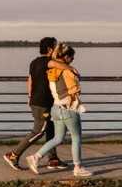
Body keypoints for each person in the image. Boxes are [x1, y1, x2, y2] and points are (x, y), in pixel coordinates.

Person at [3, 37, 77, 171]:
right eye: (55, 47)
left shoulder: (34, 62)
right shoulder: (48, 61)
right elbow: (58, 65)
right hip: (42, 103)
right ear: (49, 49)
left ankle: (53, 159)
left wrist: (30, 96)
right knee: (38, 131)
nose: (57, 49)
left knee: (51, 130)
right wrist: (71, 68)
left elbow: (30, 81)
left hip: (39, 102)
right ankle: (13, 154)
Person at [26, 43, 93, 177]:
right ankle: (78, 168)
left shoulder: (51, 70)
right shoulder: (66, 71)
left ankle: (36, 157)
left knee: (58, 137)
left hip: (56, 108)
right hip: (68, 108)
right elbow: (73, 89)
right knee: (76, 137)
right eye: (72, 58)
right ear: (67, 57)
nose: (72, 61)